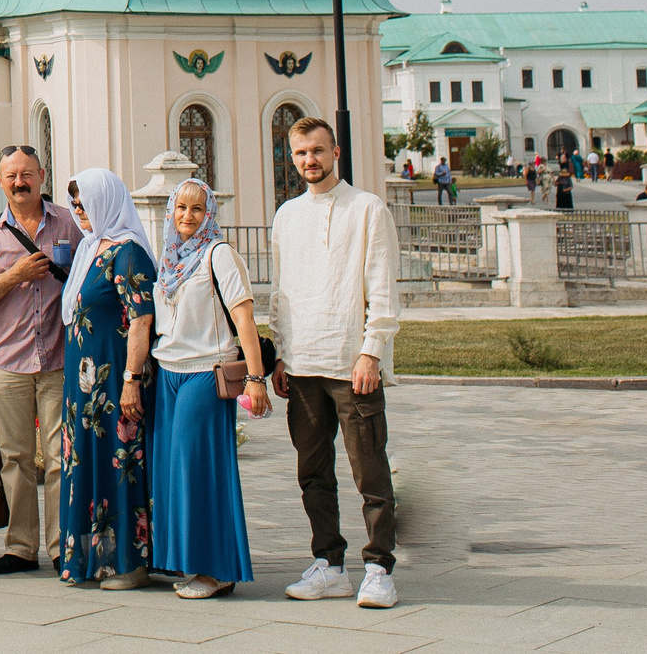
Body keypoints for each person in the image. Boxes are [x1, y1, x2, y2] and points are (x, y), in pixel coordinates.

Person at [273, 116, 400, 611]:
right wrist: (281, 353)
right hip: (302, 366)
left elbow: (382, 285)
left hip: (351, 365)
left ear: (336, 153)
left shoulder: (366, 208)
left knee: (370, 472)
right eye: (301, 153)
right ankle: (329, 565)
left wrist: (372, 350)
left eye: (318, 151)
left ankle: (379, 569)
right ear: (292, 158)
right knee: (313, 473)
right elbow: (281, 292)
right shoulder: (287, 216)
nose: (310, 160)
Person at [0, 146, 78, 575]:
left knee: (61, 457)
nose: (19, 182)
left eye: (26, 174)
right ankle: (21, 547)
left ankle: (62, 546)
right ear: (0, 180)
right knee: (15, 458)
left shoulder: (68, 223)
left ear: (42, 175)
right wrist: (15, 275)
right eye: (10, 176)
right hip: (7, 362)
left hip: (59, 359)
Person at [149, 179, 264, 599]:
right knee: (173, 473)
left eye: (197, 209)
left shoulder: (219, 254)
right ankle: (192, 563)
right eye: (181, 207)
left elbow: (244, 318)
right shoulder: (169, 259)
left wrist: (256, 378)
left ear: (209, 214)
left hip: (205, 372)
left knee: (199, 471)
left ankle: (218, 571)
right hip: (168, 373)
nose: (188, 216)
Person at [57, 168, 156, 589]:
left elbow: (141, 320)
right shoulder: (90, 249)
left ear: (107, 201)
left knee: (121, 463)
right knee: (88, 462)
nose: (79, 211)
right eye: (75, 204)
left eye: (85, 203)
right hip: (84, 386)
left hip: (114, 382)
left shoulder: (128, 253)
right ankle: (93, 561)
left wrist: (131, 380)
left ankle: (130, 565)